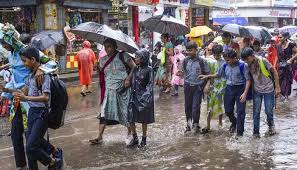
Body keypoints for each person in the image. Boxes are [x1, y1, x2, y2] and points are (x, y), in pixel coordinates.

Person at [0, 24, 59, 170]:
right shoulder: (11, 53)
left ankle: (39, 163)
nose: (3, 45)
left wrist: (40, 68)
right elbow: (15, 70)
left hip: (29, 100)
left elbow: (52, 63)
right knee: (15, 134)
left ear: (11, 40)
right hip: (16, 98)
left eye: (4, 42)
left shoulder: (25, 51)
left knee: (30, 138)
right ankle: (21, 165)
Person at [89, 38, 136, 145]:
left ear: (115, 46)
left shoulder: (123, 56)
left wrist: (128, 78)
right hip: (109, 91)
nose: (107, 49)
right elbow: (101, 73)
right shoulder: (102, 60)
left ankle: (131, 134)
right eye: (105, 46)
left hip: (123, 90)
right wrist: (96, 67)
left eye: (109, 46)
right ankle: (99, 137)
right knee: (104, 112)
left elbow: (134, 67)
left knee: (125, 112)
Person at [200, 48, 251, 137]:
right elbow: (218, 74)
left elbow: (248, 80)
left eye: (228, 60)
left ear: (234, 58)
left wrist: (245, 93)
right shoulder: (224, 65)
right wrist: (207, 76)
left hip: (240, 89)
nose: (226, 61)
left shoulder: (243, 66)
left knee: (240, 111)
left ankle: (239, 133)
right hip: (229, 88)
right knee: (228, 111)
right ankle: (234, 122)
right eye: (225, 60)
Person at [241, 47, 281, 138]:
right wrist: (245, 92)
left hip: (269, 89)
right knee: (256, 112)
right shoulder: (247, 65)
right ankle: (256, 133)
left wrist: (278, 87)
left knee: (268, 111)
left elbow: (274, 72)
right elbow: (248, 79)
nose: (246, 61)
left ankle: (271, 126)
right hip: (257, 90)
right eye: (244, 60)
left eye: (247, 59)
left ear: (252, 56)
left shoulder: (263, 61)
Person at [178, 41, 210, 134]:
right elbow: (183, 72)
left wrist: (207, 85)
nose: (189, 52)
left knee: (196, 106)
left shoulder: (202, 61)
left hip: (198, 87)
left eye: (191, 50)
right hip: (187, 86)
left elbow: (208, 74)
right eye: (187, 50)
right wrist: (180, 73)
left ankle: (196, 124)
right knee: (187, 106)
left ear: (196, 50)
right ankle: (188, 124)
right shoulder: (185, 60)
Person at [128, 49, 155, 147]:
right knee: (130, 117)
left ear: (143, 58)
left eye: (137, 57)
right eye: (135, 57)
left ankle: (144, 138)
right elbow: (131, 81)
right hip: (134, 96)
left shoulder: (149, 69)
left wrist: (146, 96)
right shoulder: (135, 69)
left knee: (144, 119)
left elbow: (150, 84)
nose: (135, 59)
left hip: (144, 97)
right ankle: (135, 137)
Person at [201, 44, 226, 134]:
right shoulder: (208, 60)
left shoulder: (224, 61)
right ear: (212, 53)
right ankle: (208, 125)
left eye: (218, 55)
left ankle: (220, 123)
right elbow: (206, 73)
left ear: (221, 53)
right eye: (215, 55)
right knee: (209, 105)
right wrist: (207, 84)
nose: (216, 57)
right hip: (211, 85)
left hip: (222, 86)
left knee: (220, 105)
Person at [277, 32, 297, 101]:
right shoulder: (278, 46)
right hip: (281, 66)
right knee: (281, 80)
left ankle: (286, 96)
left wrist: (291, 60)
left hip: (289, 66)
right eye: (278, 37)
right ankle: (282, 95)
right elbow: (277, 57)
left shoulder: (290, 45)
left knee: (287, 80)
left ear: (285, 38)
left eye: (280, 37)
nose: (279, 39)